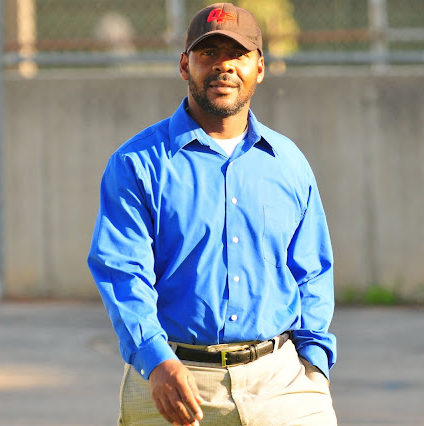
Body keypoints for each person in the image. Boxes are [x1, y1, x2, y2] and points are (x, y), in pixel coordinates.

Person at [88, 3, 337, 425]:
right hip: (173, 381)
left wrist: (314, 363)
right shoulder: (138, 164)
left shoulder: (288, 163)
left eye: (237, 54)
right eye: (209, 54)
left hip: (282, 382)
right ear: (185, 65)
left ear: (260, 68)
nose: (224, 66)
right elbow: (122, 271)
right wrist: (156, 360)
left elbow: (312, 270)